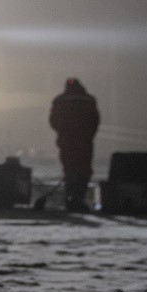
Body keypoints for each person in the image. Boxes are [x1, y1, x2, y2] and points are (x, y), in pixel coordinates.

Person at [48, 78, 101, 212]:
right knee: (83, 170)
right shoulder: (89, 100)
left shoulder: (59, 100)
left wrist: (63, 131)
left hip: (66, 142)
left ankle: (69, 199)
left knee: (69, 169)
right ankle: (78, 199)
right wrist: (89, 135)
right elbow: (95, 120)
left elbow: (53, 121)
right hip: (84, 142)